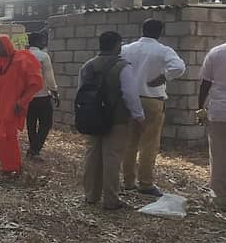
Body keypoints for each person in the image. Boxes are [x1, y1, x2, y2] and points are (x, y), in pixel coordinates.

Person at [79, 31, 146, 210]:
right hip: (116, 119)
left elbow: (81, 91)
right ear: (117, 45)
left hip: (92, 117)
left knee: (92, 156)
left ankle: (91, 195)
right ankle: (111, 199)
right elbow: (130, 95)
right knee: (112, 158)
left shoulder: (87, 66)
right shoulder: (122, 67)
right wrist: (139, 116)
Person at [120, 19, 186, 196]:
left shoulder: (126, 49)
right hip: (152, 100)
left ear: (142, 29)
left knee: (129, 142)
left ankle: (128, 181)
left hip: (129, 100)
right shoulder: (163, 50)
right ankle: (145, 183)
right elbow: (178, 67)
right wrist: (165, 76)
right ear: (160, 32)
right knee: (149, 144)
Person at [0, 35, 44, 177]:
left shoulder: (22, 59)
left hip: (14, 105)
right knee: (0, 137)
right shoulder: (0, 63)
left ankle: (14, 167)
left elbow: (36, 83)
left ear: (7, 45)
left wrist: (22, 102)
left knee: (9, 137)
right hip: (1, 104)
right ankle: (6, 166)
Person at [198, 41, 226, 210]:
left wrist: (200, 108)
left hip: (219, 111)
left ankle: (219, 197)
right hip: (218, 110)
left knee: (218, 155)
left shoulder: (216, 52)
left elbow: (205, 84)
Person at [25, 32, 59, 159]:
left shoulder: (22, 55)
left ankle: (33, 149)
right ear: (38, 42)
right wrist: (55, 92)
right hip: (43, 95)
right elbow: (49, 77)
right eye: (42, 41)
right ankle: (35, 149)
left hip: (27, 97)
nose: (44, 43)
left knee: (31, 124)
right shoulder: (43, 56)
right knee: (46, 123)